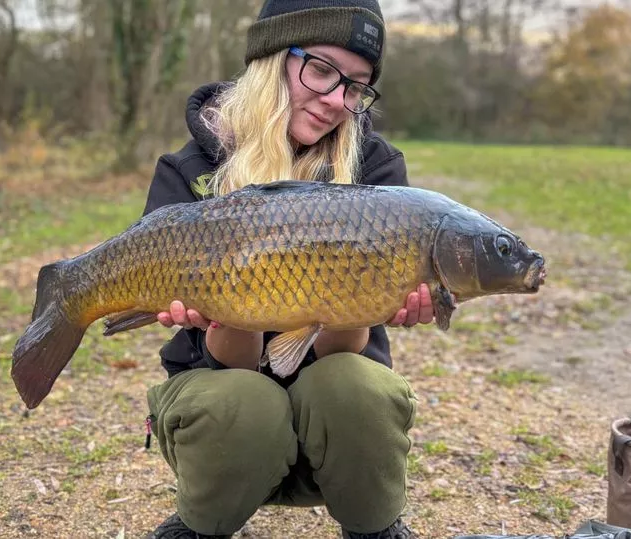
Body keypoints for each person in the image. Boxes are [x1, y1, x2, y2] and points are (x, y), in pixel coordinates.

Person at [142, 1, 434, 537]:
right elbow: (229, 364)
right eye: (321, 70)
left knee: (355, 388)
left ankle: (374, 526)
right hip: (227, 428)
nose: (335, 100)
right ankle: (200, 525)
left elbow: (342, 356)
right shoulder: (187, 173)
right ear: (271, 59)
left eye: (356, 86)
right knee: (243, 401)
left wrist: (360, 298)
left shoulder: (376, 171)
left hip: (336, 432)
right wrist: (225, 308)